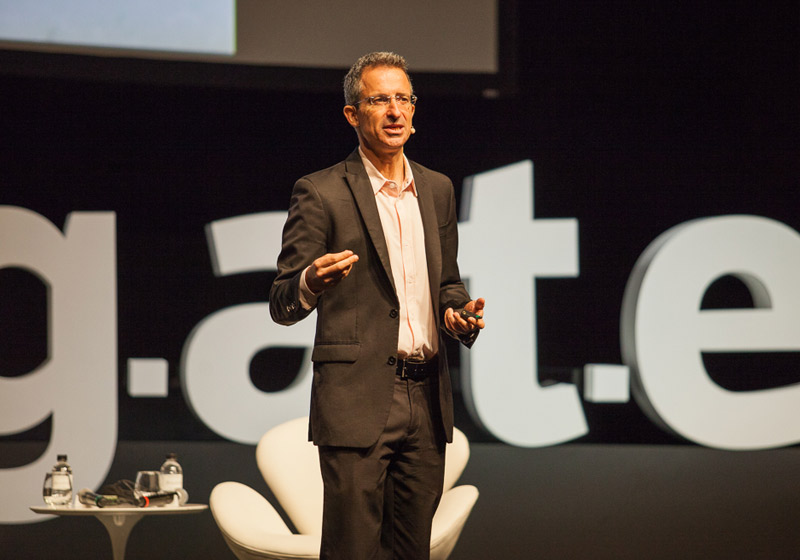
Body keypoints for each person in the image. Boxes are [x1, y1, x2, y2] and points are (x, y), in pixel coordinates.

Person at [269, 51, 485, 560]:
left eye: (403, 99)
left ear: (415, 109)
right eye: (379, 100)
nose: (395, 111)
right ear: (352, 114)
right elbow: (282, 301)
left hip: (427, 398)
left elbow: (447, 283)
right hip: (357, 400)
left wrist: (457, 314)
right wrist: (310, 281)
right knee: (352, 551)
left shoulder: (436, 190)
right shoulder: (320, 192)